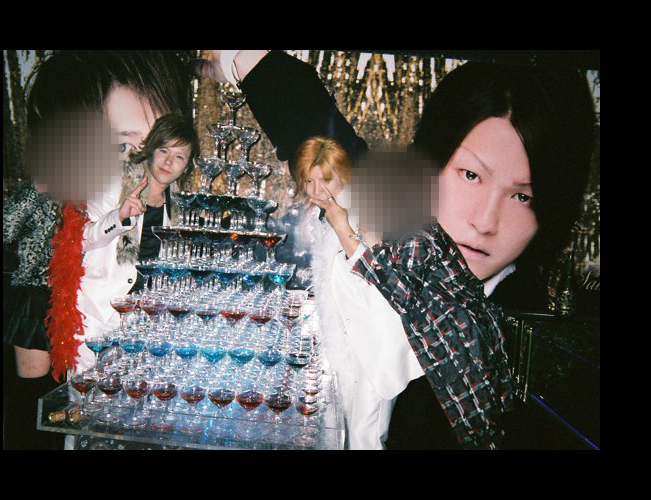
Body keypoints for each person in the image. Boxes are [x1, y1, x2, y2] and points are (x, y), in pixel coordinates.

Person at [195, 51, 595, 449]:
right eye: (471, 175)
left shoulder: (541, 345)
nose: (486, 222)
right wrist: (242, 59)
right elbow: (329, 143)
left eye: (523, 197)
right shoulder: (403, 236)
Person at [3, 50, 193, 449]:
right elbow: (85, 244)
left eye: (160, 144)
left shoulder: (170, 198)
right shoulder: (99, 187)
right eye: (124, 145)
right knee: (56, 415)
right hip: (73, 318)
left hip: (138, 341)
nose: (149, 156)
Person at [292, 137, 424, 449]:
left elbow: (380, 276)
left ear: (343, 175)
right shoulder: (327, 213)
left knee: (366, 438)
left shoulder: (365, 209)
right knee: (340, 434)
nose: (316, 189)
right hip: (344, 341)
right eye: (308, 180)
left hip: (373, 345)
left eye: (325, 179)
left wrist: (343, 228)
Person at [114, 113, 198, 292]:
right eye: (164, 151)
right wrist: (117, 218)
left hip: (151, 303)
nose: (168, 162)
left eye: (179, 157)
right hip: (107, 301)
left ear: (186, 168)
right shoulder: (115, 184)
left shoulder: (179, 208)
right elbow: (84, 240)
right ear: (151, 150)